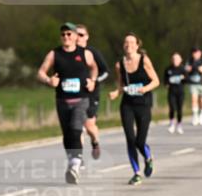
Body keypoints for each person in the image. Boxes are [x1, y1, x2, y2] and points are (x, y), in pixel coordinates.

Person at [36, 22, 98, 184]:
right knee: (67, 134)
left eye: (69, 34)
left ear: (76, 36)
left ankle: (75, 164)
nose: (66, 37)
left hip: (81, 100)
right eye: (63, 34)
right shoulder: (54, 54)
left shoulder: (85, 54)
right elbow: (41, 72)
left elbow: (94, 68)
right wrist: (49, 80)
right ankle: (73, 160)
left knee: (76, 129)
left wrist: (92, 81)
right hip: (62, 100)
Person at [109, 33, 160, 185]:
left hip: (143, 104)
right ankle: (136, 173)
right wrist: (115, 93)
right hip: (127, 104)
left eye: (132, 42)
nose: (128, 45)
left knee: (140, 140)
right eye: (126, 42)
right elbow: (121, 85)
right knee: (130, 139)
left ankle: (148, 157)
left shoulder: (144, 60)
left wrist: (145, 89)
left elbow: (156, 81)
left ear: (137, 46)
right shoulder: (119, 64)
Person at [76, 24, 109, 159]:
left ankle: (95, 142)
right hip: (75, 94)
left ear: (87, 37)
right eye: (76, 34)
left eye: (81, 35)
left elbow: (106, 71)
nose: (78, 38)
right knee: (77, 127)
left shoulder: (92, 52)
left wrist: (94, 81)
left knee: (89, 126)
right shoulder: (68, 53)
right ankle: (78, 157)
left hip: (91, 94)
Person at [164, 52, 186, 134]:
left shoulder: (183, 69)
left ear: (180, 60)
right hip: (171, 92)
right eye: (173, 59)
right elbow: (165, 81)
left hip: (180, 92)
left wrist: (183, 78)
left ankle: (179, 124)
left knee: (179, 109)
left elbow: (187, 80)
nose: (175, 60)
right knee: (172, 108)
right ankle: (171, 123)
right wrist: (167, 84)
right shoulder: (168, 69)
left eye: (177, 59)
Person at [185, 48, 202, 126]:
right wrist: (189, 69)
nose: (195, 54)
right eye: (194, 53)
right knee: (193, 99)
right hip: (193, 83)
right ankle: (195, 116)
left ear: (200, 53)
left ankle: (201, 115)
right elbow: (186, 69)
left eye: (197, 53)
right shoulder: (189, 61)